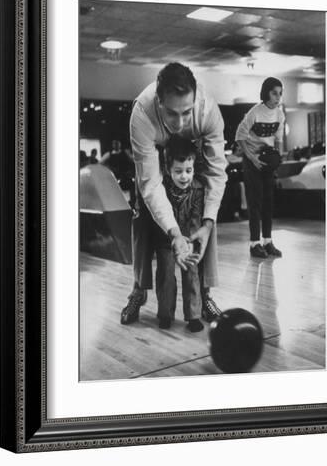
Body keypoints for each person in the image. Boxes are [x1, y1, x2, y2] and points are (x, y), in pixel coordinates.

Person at [120, 62, 227, 325]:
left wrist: (208, 222)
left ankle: (205, 295)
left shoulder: (209, 111)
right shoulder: (142, 114)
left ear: (195, 100)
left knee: (206, 217)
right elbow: (151, 185)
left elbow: (216, 172)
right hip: (157, 165)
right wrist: (175, 234)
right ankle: (138, 290)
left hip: (189, 161)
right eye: (171, 114)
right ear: (159, 101)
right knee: (143, 215)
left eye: (186, 113)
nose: (179, 123)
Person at [154, 136, 205, 332]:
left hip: (188, 240)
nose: (184, 176)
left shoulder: (197, 189)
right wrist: (173, 239)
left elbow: (196, 217)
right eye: (178, 171)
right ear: (168, 170)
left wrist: (189, 241)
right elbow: (159, 215)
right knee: (166, 274)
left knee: (191, 272)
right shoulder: (162, 189)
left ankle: (193, 316)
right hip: (166, 240)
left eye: (188, 171)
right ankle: (165, 314)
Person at [235, 77, 285, 259]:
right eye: (274, 93)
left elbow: (278, 141)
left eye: (280, 93)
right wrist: (251, 158)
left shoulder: (280, 114)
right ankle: (254, 244)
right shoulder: (254, 113)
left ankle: (267, 241)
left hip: (267, 158)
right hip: (251, 160)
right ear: (266, 93)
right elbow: (239, 136)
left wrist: (277, 161)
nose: (278, 97)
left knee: (268, 203)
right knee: (254, 202)